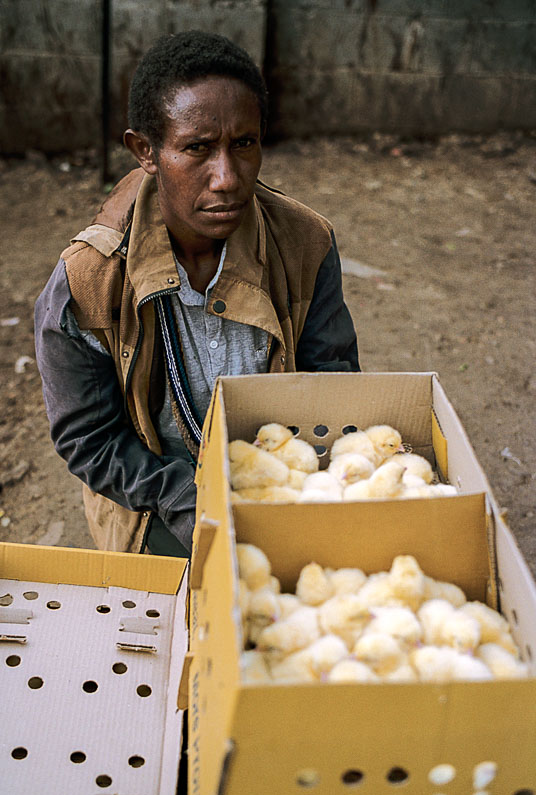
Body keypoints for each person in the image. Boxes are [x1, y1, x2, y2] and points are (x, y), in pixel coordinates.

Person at [34, 30, 360, 559]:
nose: (228, 177)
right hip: (157, 507)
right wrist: (187, 497)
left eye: (245, 144)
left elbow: (335, 386)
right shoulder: (88, 281)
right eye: (197, 149)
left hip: (286, 488)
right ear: (146, 151)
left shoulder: (306, 243)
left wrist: (292, 486)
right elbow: (90, 441)